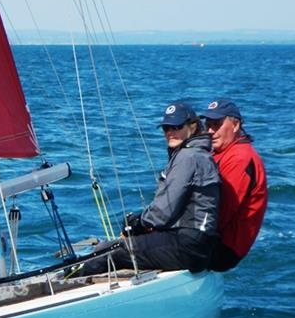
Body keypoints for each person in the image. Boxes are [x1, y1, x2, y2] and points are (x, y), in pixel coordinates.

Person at [76, 101, 220, 276]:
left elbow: (164, 211)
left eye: (176, 127)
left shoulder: (188, 157)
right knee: (119, 249)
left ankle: (66, 288)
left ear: (193, 126)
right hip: (197, 245)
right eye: (166, 128)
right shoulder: (199, 155)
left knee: (106, 252)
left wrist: (139, 223)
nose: (170, 133)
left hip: (187, 246)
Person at [201, 99, 267, 271]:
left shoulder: (239, 158)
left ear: (236, 125)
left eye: (217, 125)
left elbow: (221, 212)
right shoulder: (221, 152)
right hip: (211, 238)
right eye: (207, 125)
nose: (210, 131)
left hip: (223, 248)